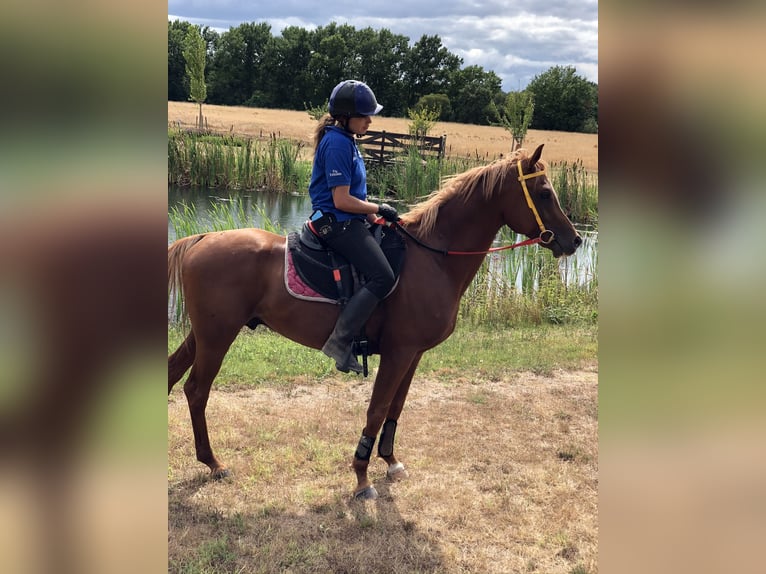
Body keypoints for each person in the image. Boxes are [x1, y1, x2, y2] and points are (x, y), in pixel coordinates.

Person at [308, 79, 400, 374]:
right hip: (336, 223)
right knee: (383, 276)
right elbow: (342, 199)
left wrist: (373, 217)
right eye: (364, 116)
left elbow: (353, 197)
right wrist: (377, 207)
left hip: (348, 219)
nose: (370, 121)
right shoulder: (337, 143)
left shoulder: (346, 141)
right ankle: (340, 341)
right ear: (346, 117)